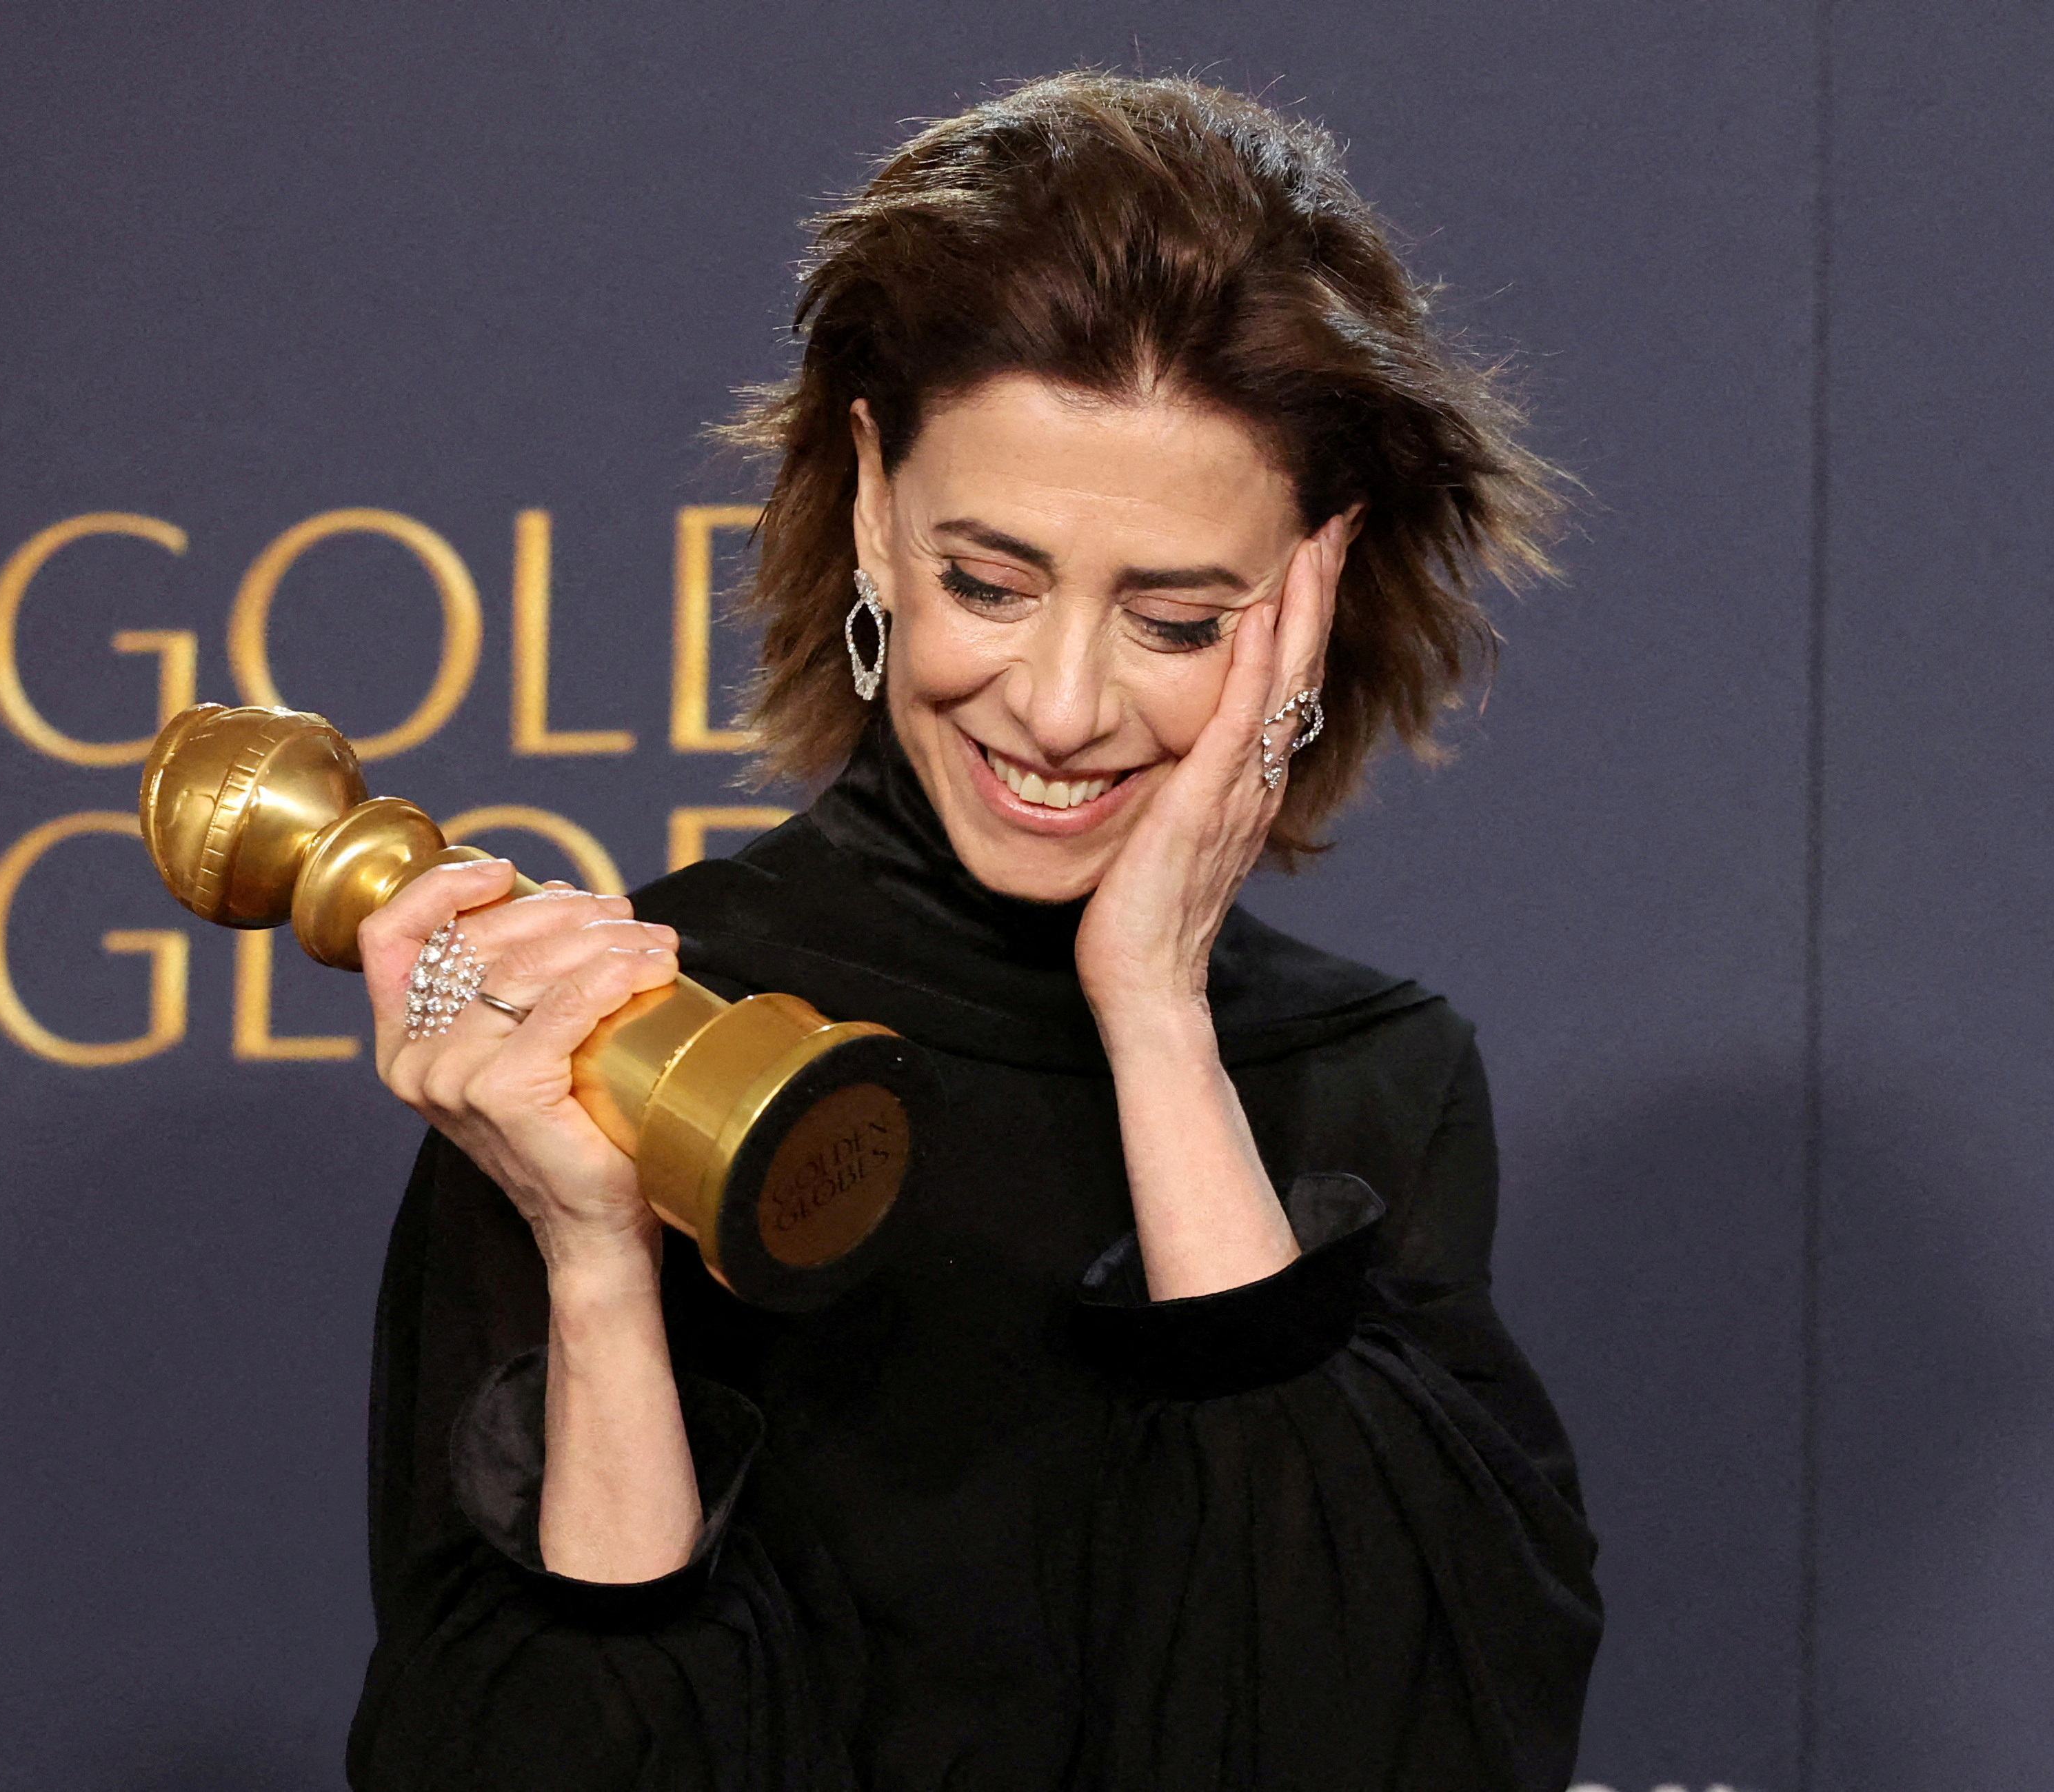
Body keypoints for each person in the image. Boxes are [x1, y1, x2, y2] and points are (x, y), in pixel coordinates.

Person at [343, 70, 1601, 1792]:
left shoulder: (1374, 1079)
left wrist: (1156, 1011)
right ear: (872, 505)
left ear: (1310, 589)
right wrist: (596, 1266)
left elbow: (1386, 1735)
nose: (1063, 704)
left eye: (1175, 616)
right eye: (991, 585)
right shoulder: (616, 1024)